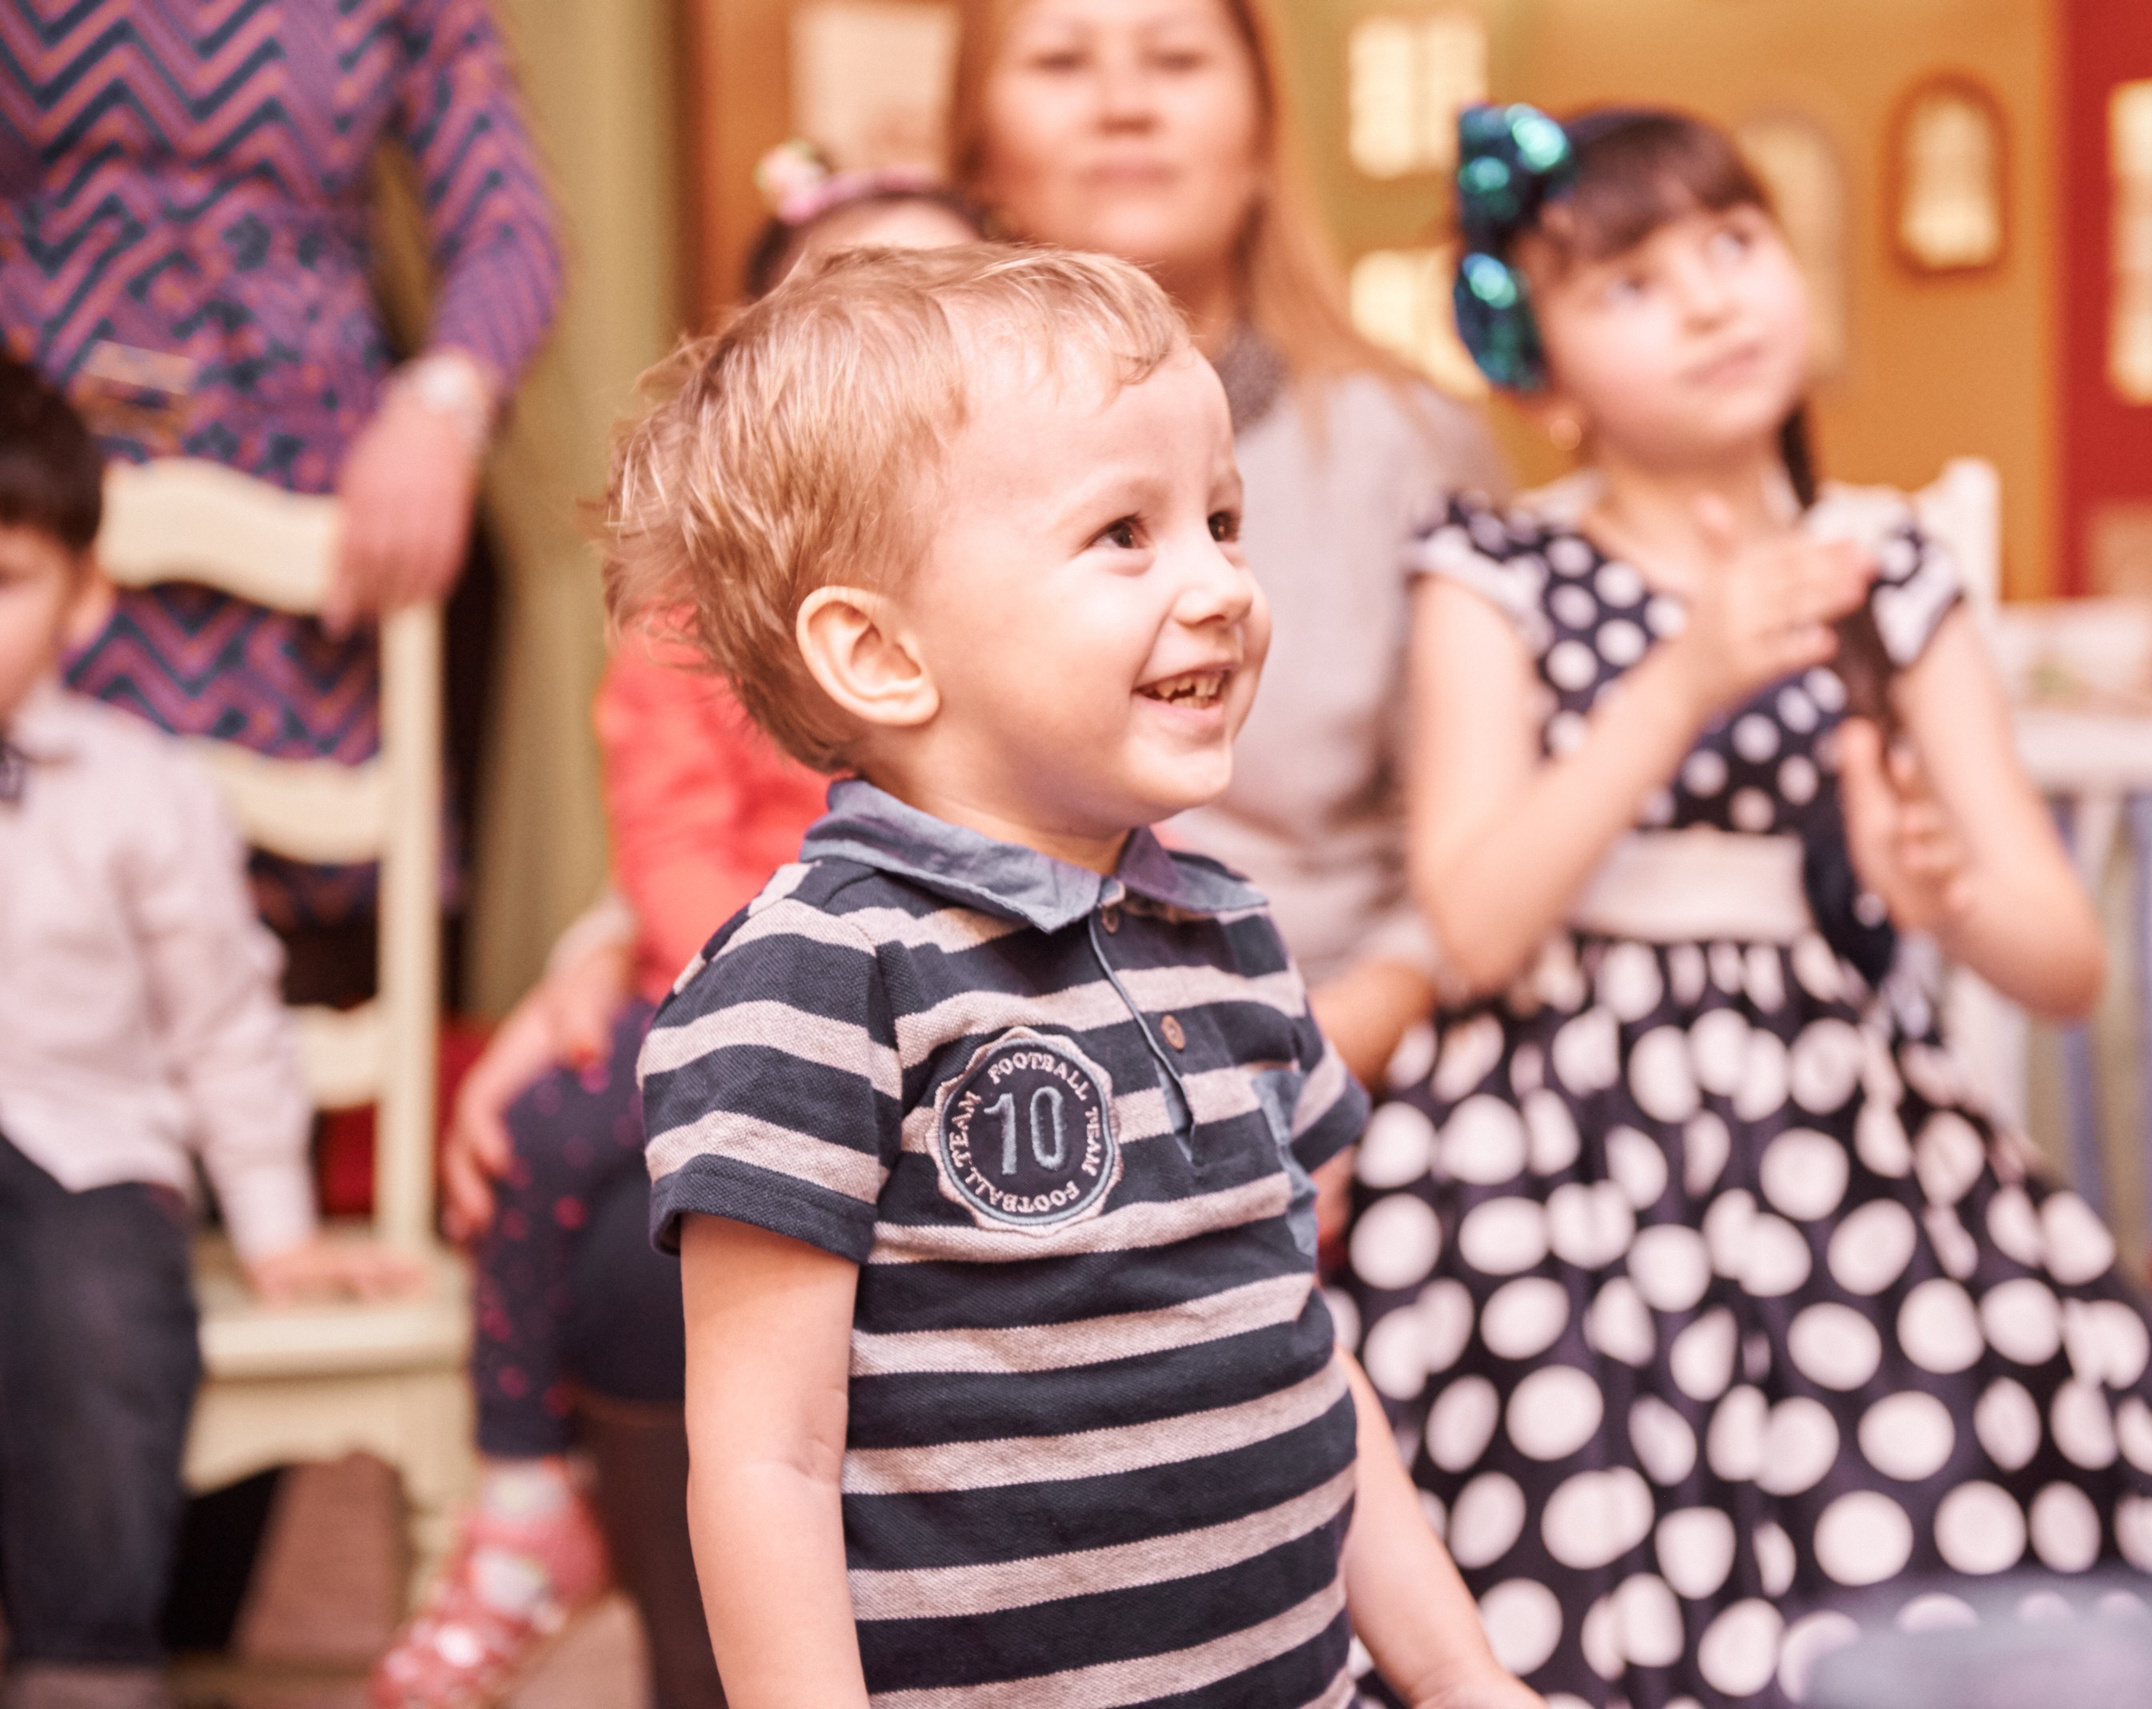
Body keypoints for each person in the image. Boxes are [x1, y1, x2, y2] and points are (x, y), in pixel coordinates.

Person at [1336, 106, 2152, 1707]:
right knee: (1568, 1483)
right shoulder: (1491, 570)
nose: (1715, 301)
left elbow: (2063, 959)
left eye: (1735, 246)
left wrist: (1941, 893)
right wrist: (1685, 676)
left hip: (1831, 1108)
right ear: (1541, 366)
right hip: (1547, 1134)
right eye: (1631, 285)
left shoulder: (1890, 566)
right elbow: (1473, 926)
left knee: (1941, 1432)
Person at [613, 242, 1541, 1709]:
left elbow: (1298, 1356)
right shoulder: (819, 976)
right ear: (879, 650)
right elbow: (763, 1459)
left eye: (1224, 523)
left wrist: (1468, 1678)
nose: (1223, 586)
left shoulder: (1229, 933)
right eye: (1127, 533)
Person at [371, 173, 981, 1709]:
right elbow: (666, 832)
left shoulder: (1007, 570)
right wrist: (770, 972)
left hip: (951, 993)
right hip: (743, 982)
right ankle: (523, 1496)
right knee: (537, 1123)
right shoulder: (695, 604)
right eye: (850, 309)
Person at [951, 0, 1506, 1089]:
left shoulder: (1411, 445)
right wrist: (597, 953)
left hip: (1321, 1034)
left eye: (1176, 58)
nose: (1124, 106)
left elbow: (1489, 838)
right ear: (976, 151)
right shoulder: (899, 450)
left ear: (1260, 134)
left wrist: (1327, 1054)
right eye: (1062, 61)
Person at [0, 357, 415, 1709]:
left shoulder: (142, 791)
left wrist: (279, 1225)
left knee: (97, 1319)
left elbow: (226, 1021)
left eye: (3, 582)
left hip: (82, 1151)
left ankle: (87, 1666)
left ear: (82, 600)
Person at [0, 0, 560, 934]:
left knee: (282, 941)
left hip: (304, 507)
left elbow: (510, 232)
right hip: (37, 472)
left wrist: (442, 409)